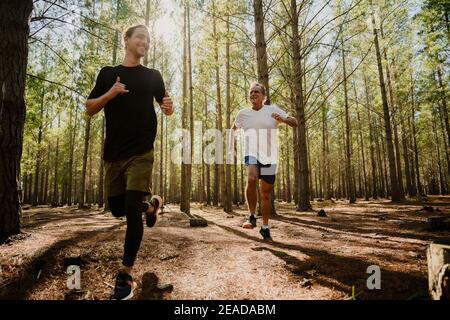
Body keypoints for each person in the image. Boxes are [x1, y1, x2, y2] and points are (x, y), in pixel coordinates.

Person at [85, 25, 173, 300]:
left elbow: (166, 104)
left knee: (131, 210)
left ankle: (125, 273)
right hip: (114, 153)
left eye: (148, 38)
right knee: (117, 209)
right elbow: (89, 108)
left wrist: (169, 107)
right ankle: (152, 205)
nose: (145, 41)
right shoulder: (108, 73)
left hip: (141, 151)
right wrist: (110, 93)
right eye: (140, 37)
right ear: (126, 40)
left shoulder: (153, 76)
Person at [229, 83, 298, 241]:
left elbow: (295, 122)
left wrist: (282, 120)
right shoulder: (243, 113)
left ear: (264, 96)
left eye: (256, 92)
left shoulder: (272, 110)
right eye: (251, 92)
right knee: (252, 178)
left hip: (269, 156)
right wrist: (231, 147)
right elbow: (233, 129)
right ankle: (251, 215)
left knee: (266, 194)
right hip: (251, 153)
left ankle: (265, 227)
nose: (253, 94)